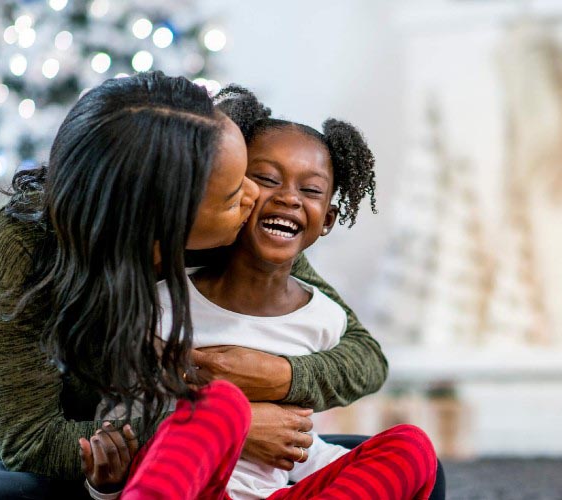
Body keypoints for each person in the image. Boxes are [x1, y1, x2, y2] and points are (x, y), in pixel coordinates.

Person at [0, 72, 388, 499]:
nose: (254, 198)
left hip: (245, 462)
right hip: (97, 459)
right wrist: (224, 428)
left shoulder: (244, 225)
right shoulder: (21, 240)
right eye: (232, 194)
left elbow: (364, 358)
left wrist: (280, 376)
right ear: (167, 216)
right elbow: (32, 440)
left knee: (405, 469)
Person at [86, 84, 439, 499]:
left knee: (412, 446)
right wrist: (104, 488)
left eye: (309, 190)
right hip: (188, 489)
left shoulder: (324, 319)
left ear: (327, 219)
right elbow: (121, 426)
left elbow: (299, 438)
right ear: (232, 191)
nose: (289, 198)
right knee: (221, 404)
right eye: (267, 179)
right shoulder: (163, 305)